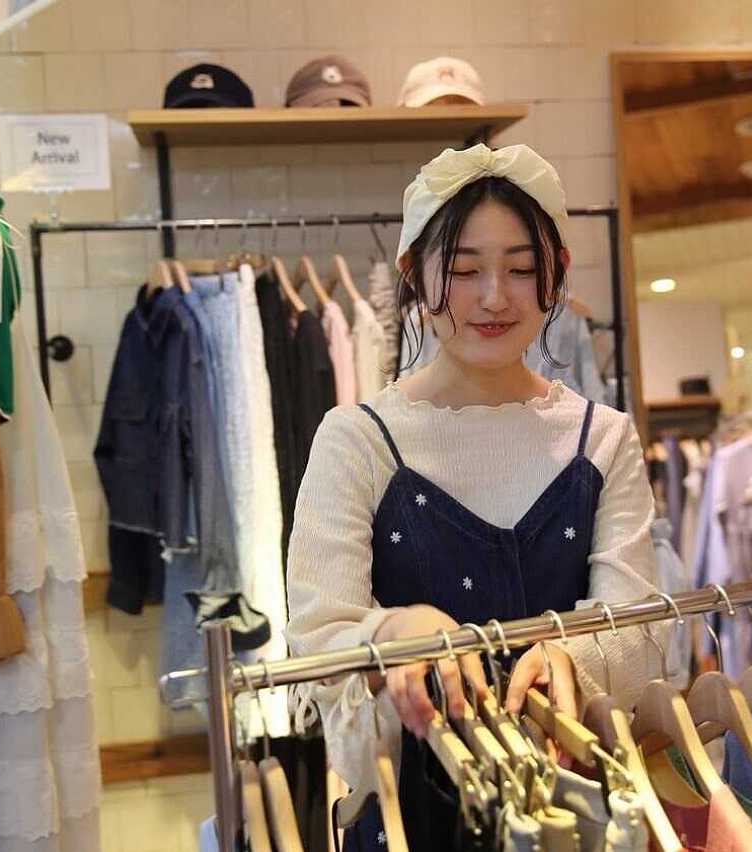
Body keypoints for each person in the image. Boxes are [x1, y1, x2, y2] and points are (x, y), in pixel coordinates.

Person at [285, 143, 659, 849]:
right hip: (410, 813)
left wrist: (573, 655)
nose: (494, 297)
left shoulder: (603, 437)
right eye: (463, 271)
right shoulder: (356, 439)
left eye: (521, 269)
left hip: (571, 801)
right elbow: (317, 636)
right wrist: (395, 631)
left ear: (556, 274)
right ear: (414, 274)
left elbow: (638, 627)